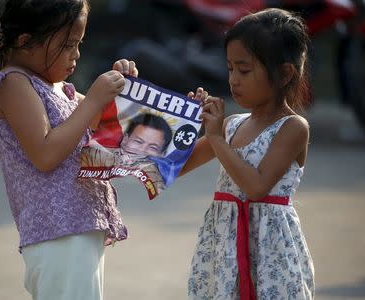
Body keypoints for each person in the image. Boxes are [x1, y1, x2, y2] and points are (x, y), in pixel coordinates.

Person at [0, 1, 138, 299]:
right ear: (25, 43)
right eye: (67, 45)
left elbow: (102, 123)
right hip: (58, 236)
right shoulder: (14, 83)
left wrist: (120, 89)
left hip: (78, 231)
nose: (75, 54)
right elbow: (45, 154)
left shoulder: (59, 87)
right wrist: (94, 100)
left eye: (79, 44)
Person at [180, 8, 315, 300]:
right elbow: (176, 166)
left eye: (244, 70)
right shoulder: (232, 125)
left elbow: (256, 187)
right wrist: (186, 123)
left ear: (284, 73)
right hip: (224, 251)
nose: (234, 80)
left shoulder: (292, 127)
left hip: (270, 252)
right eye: (230, 69)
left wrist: (215, 138)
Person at [81, 112, 173, 194]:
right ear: (125, 139)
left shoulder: (157, 178)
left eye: (153, 147)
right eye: (138, 141)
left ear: (162, 154)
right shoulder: (95, 156)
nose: (141, 150)